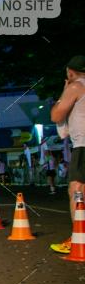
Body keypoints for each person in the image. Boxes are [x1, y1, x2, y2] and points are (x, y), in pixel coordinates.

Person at [49, 55, 85, 254]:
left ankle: (78, 238)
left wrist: (65, 89)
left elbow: (56, 115)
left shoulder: (75, 86)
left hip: (83, 146)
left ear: (70, 72)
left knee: (76, 191)